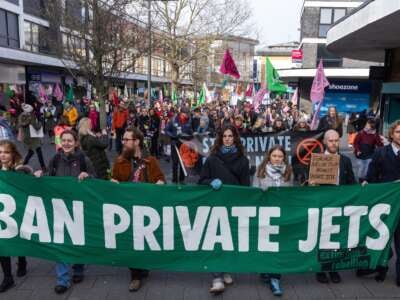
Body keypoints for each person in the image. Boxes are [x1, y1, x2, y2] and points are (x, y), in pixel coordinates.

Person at [34, 130, 95, 294]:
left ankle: (78, 268)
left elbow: (96, 181)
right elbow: (48, 175)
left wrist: (87, 176)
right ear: (60, 143)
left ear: (76, 143)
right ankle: (62, 279)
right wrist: (41, 174)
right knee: (60, 241)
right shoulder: (55, 159)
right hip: (59, 208)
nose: (67, 143)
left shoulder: (84, 159)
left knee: (78, 239)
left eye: (70, 140)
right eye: (64, 140)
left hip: (78, 208)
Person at [111, 126, 165, 292]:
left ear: (137, 142)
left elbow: (160, 179)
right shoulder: (120, 162)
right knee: (131, 241)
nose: (123, 142)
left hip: (146, 210)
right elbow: (114, 179)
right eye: (124, 139)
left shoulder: (150, 161)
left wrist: (160, 183)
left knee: (145, 240)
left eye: (127, 140)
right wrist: (112, 183)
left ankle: (143, 265)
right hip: (127, 209)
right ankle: (135, 275)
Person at [198, 125, 250, 294]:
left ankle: (226, 269)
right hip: (216, 207)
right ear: (220, 138)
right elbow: (202, 181)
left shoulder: (243, 160)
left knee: (230, 241)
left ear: (235, 138)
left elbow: (245, 187)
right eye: (225, 136)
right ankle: (217, 277)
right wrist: (210, 182)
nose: (227, 138)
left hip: (233, 206)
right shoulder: (212, 159)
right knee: (216, 241)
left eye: (230, 136)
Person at [312, 129, 356, 284]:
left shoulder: (345, 160)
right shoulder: (316, 160)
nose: (334, 143)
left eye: (336, 140)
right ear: (324, 142)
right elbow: (309, 187)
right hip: (323, 205)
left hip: (340, 205)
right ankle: (320, 269)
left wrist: (361, 188)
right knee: (322, 237)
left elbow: (352, 183)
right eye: (330, 140)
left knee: (336, 238)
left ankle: (333, 268)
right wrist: (312, 184)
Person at [359, 120, 400, 283]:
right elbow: (371, 176)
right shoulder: (381, 153)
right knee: (382, 240)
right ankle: (381, 268)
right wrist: (366, 183)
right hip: (385, 205)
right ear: (391, 134)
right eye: (398, 132)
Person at [253, 145, 292, 296]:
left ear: (284, 158)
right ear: (269, 157)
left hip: (281, 216)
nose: (277, 159)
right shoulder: (260, 171)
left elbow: (291, 194)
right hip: (265, 215)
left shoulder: (288, 172)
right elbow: (254, 193)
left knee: (278, 247)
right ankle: (265, 269)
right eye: (274, 156)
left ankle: (275, 278)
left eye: (280, 156)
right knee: (265, 245)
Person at [0, 140, 32, 293]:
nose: (2, 155)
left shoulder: (19, 170)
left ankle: (22, 260)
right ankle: (7, 277)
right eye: (0, 152)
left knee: (19, 235)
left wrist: (28, 173)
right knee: (3, 243)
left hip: (18, 211)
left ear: (12, 154)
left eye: (6, 152)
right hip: (2, 213)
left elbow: (30, 186)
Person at [165, 108, 193, 184]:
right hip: (175, 143)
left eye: (188, 113)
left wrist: (188, 137)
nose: (187, 115)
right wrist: (173, 136)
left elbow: (191, 133)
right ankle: (174, 179)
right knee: (175, 162)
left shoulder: (189, 120)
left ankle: (181, 179)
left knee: (183, 162)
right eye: (186, 113)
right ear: (181, 113)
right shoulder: (173, 120)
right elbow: (166, 130)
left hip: (184, 145)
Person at [18, 104, 46, 171]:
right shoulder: (31, 117)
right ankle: (43, 167)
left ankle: (23, 165)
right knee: (38, 151)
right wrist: (40, 123)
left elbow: (20, 125)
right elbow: (36, 127)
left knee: (31, 151)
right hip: (33, 137)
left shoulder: (21, 116)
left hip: (26, 137)